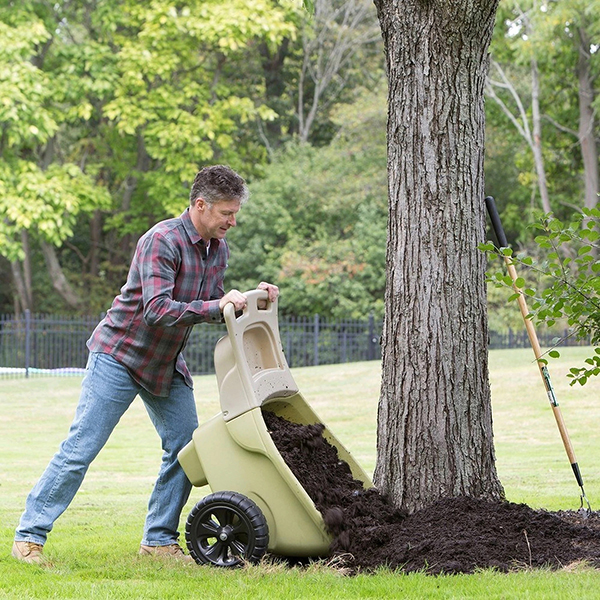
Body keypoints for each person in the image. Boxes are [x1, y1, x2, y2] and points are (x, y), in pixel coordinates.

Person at [12, 165, 279, 565]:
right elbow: (156, 310)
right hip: (119, 355)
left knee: (187, 448)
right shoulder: (162, 240)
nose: (233, 221)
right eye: (227, 212)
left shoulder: (217, 249)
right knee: (82, 447)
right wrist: (217, 305)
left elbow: (216, 308)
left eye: (235, 212)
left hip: (165, 362)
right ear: (201, 205)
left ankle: (157, 541)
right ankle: (28, 536)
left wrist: (255, 297)